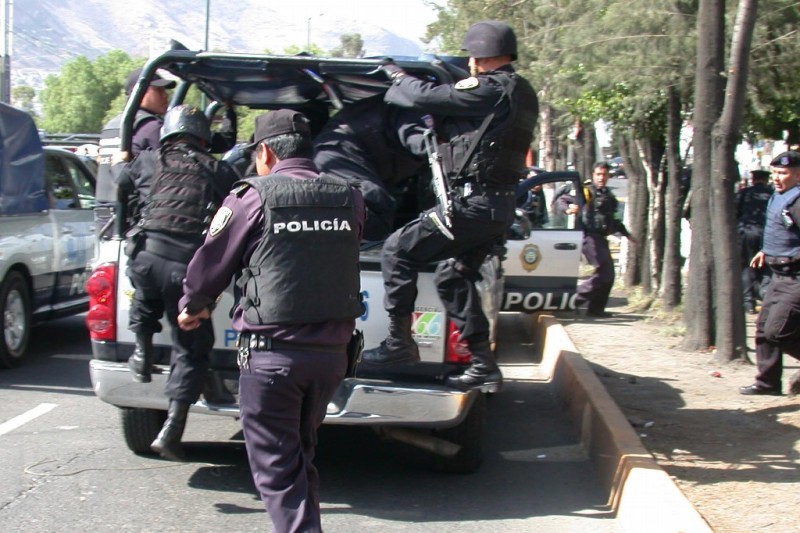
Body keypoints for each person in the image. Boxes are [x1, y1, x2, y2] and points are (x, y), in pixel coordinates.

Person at [176, 110, 365, 532]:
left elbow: (210, 264)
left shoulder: (252, 196)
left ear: (264, 152)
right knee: (299, 460)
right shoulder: (349, 196)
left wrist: (194, 303)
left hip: (272, 359)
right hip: (331, 358)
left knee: (278, 472)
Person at [360, 20, 538, 394]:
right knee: (452, 276)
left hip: (473, 205)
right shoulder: (521, 92)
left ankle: (399, 344)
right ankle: (483, 366)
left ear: (477, 57)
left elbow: (429, 97)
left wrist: (395, 74)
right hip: (495, 207)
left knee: (396, 249)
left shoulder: (492, 88)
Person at [116, 105, 239, 460]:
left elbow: (120, 186)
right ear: (203, 137)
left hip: (144, 259)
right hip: (184, 271)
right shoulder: (217, 169)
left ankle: (142, 350)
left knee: (144, 292)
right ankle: (171, 428)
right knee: (192, 347)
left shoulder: (148, 161)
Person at [313, 94, 430, 241]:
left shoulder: (421, 102)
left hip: (365, 156)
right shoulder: (415, 105)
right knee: (372, 207)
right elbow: (423, 141)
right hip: (342, 151)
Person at [740, 151, 800, 396]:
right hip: (777, 273)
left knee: (778, 331)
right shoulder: (779, 196)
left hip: (795, 277)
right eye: (774, 172)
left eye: (783, 173)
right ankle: (767, 383)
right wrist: (766, 250)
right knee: (764, 331)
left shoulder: (797, 201)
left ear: (798, 174)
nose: (776, 177)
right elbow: (780, 230)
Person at [559, 161, 635, 317]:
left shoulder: (608, 195)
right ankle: (571, 301)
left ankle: (596, 309)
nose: (601, 177)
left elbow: (614, 220)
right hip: (589, 237)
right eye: (598, 174)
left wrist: (627, 234)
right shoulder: (587, 191)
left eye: (604, 174)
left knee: (609, 275)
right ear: (593, 175)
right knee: (603, 273)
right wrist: (569, 209)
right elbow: (563, 200)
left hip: (601, 238)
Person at [736, 169, 772, 314]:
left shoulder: (744, 193)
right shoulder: (773, 194)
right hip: (766, 234)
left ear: (753, 179)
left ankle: (748, 302)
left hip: (745, 232)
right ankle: (766, 296)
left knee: (746, 266)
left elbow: (735, 213)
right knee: (767, 267)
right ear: (766, 179)